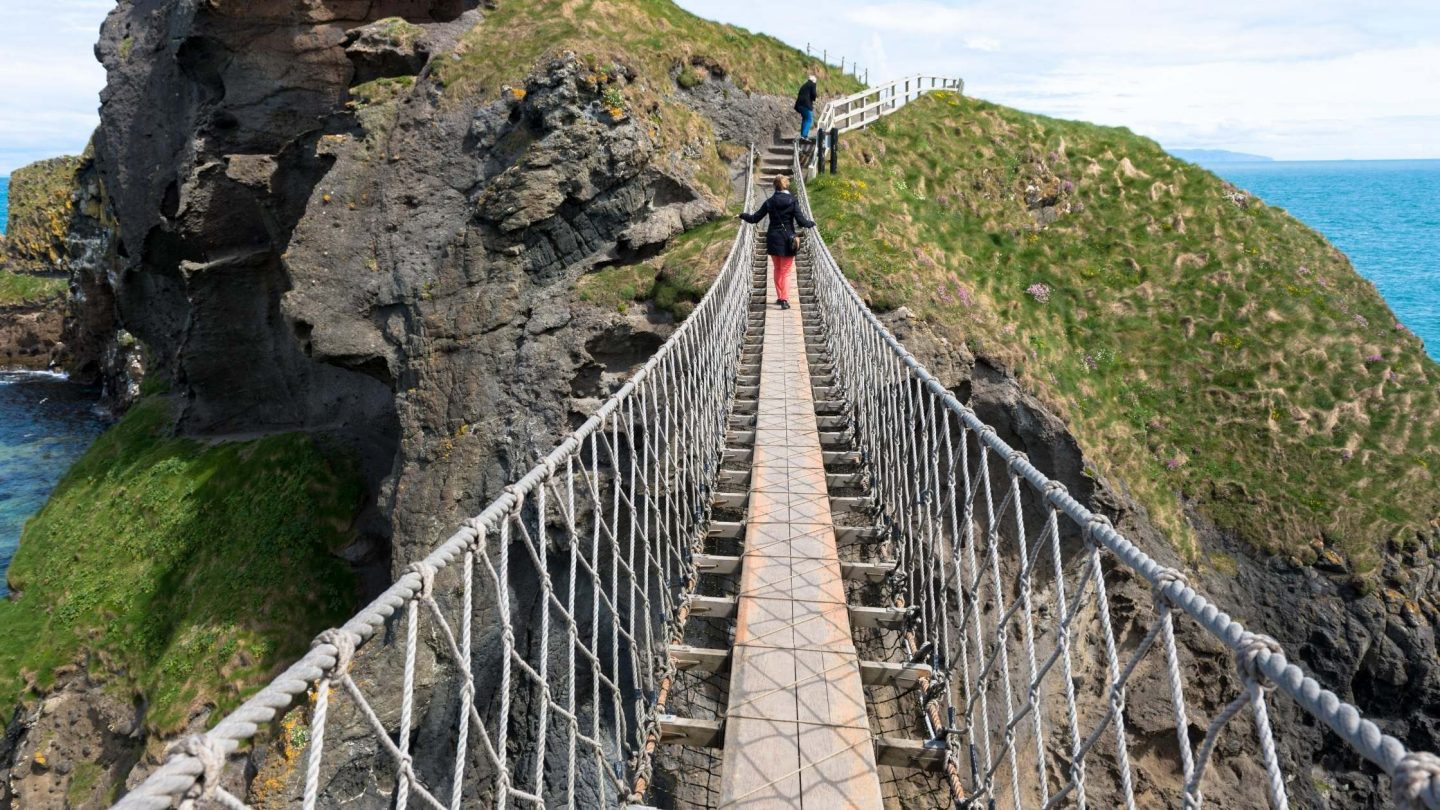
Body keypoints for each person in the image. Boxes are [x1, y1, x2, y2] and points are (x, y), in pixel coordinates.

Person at [739, 175, 816, 309]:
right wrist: (812, 223)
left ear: (774, 186)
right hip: (788, 240)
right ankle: (784, 299)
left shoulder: (769, 202)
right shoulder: (792, 201)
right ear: (786, 185)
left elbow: (754, 218)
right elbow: (801, 221)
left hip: (773, 239)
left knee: (777, 269)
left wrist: (742, 215)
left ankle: (780, 297)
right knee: (785, 271)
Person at [795, 74, 818, 141]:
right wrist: (814, 98)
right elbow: (813, 94)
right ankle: (804, 136)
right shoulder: (812, 84)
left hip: (799, 105)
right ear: (814, 80)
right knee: (809, 119)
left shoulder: (804, 85)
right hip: (806, 105)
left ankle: (803, 135)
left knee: (805, 119)